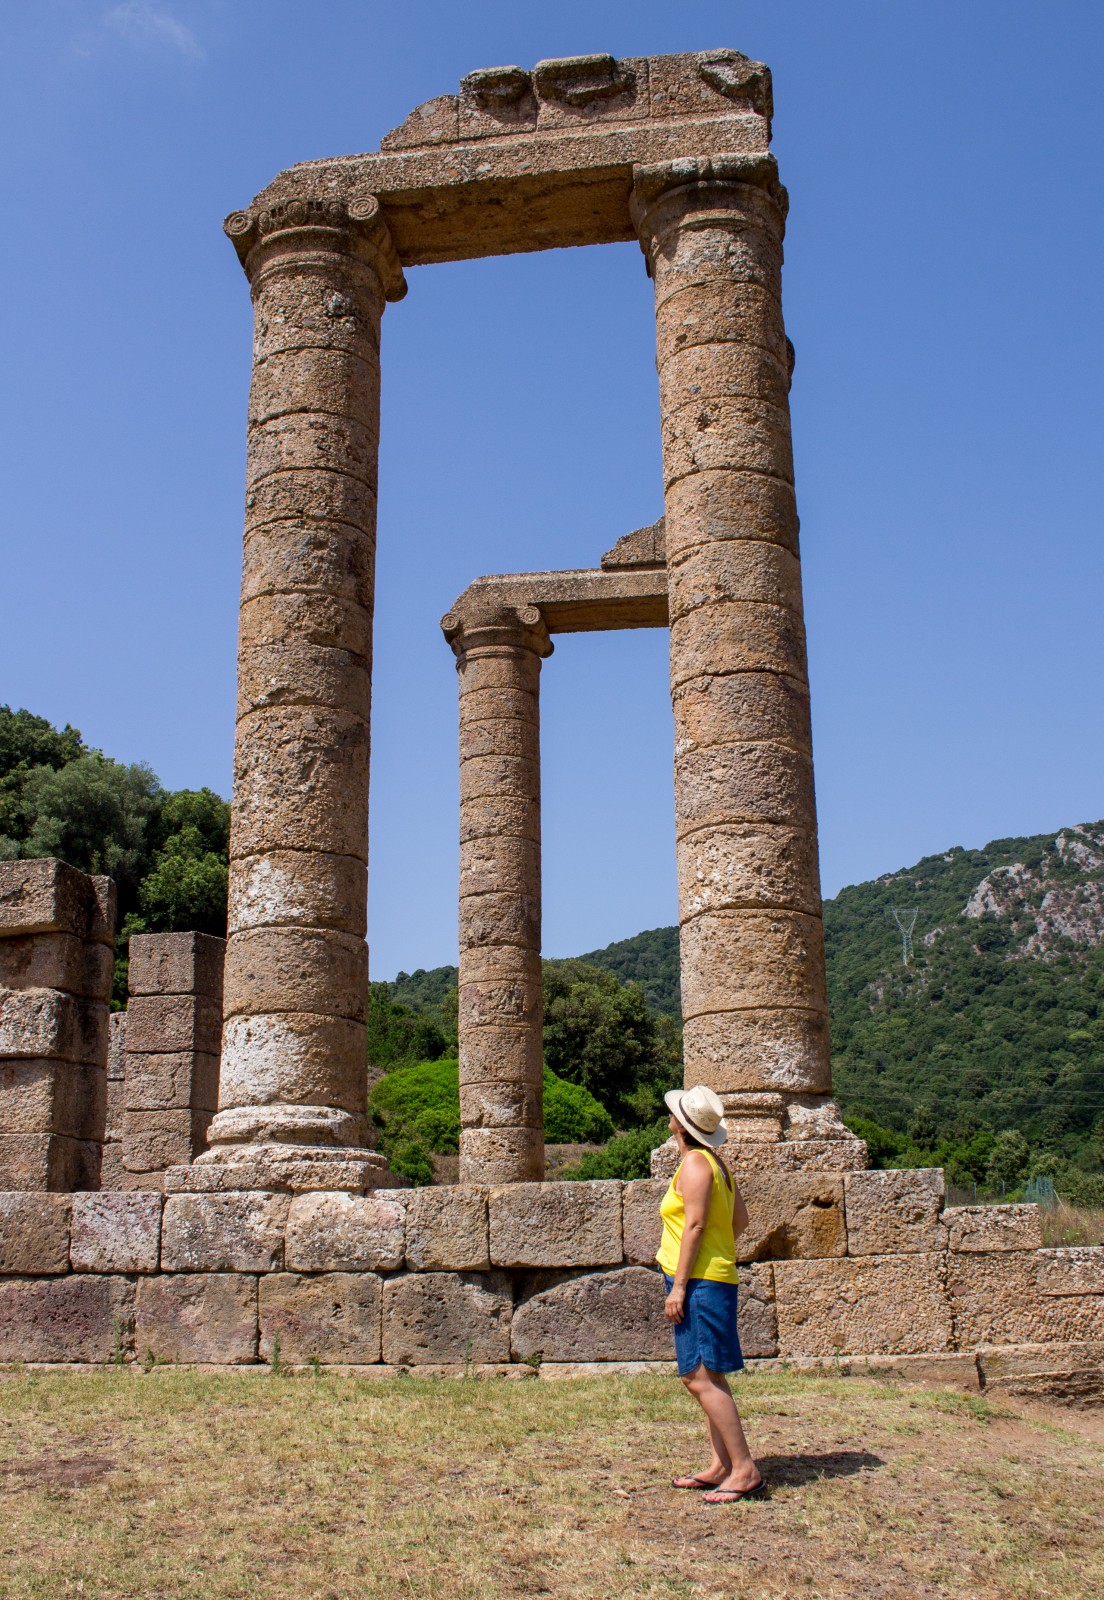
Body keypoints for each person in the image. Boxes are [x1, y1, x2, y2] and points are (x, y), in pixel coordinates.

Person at [657, 1084, 765, 1503]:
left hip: (700, 1281)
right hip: (713, 1275)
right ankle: (721, 1464)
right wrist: (718, 1254)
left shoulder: (695, 1167)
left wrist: (681, 1285)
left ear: (681, 1126)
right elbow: (739, 1220)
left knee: (697, 1376)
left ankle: (743, 1469)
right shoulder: (716, 1165)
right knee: (710, 1373)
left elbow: (696, 1226)